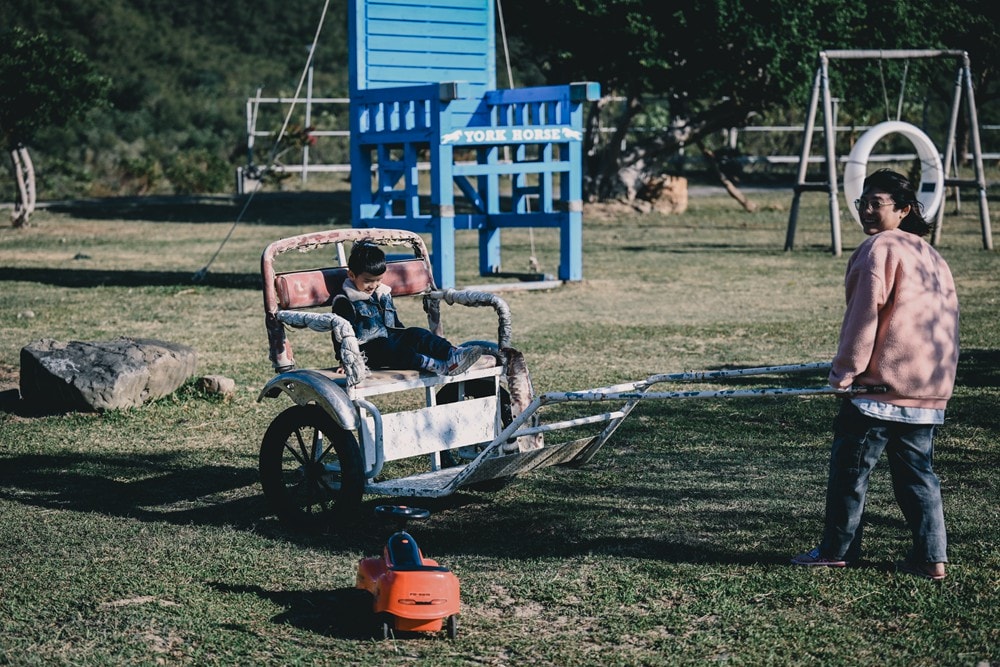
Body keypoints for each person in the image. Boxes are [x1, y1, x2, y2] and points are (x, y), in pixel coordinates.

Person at [791, 169, 959, 581]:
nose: (866, 211)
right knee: (919, 477)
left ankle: (837, 549)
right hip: (926, 388)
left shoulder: (879, 248)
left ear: (903, 210)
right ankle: (930, 557)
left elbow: (863, 318)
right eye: (862, 202)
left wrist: (844, 374)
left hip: (880, 390)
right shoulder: (930, 254)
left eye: (877, 204)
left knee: (850, 471)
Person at [331, 239, 483, 376]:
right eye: (368, 281)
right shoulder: (345, 301)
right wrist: (345, 360)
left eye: (378, 280)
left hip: (391, 344)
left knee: (416, 333)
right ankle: (435, 365)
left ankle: (452, 353)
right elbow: (339, 335)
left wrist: (408, 338)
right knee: (391, 347)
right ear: (351, 275)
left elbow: (396, 326)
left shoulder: (382, 293)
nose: (374, 285)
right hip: (367, 352)